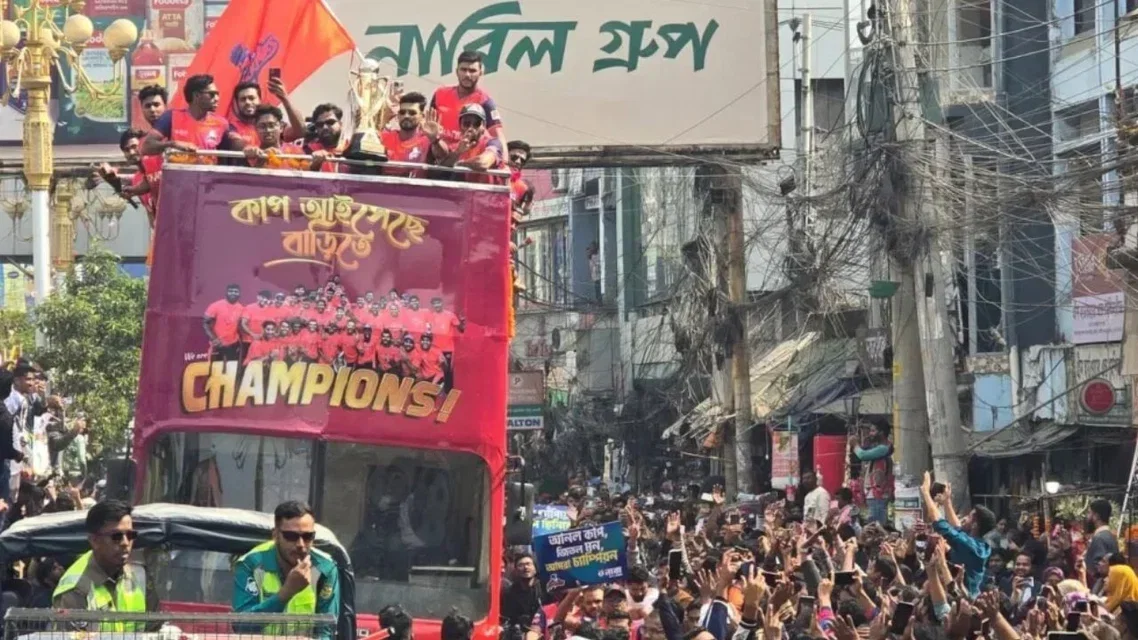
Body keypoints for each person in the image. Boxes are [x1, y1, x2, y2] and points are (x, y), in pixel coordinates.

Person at [232, 500, 340, 635]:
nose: (300, 544)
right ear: (275, 535)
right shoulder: (251, 564)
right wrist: (286, 593)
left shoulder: (325, 568)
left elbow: (326, 631)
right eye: (291, 536)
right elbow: (241, 626)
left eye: (308, 536)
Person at [53, 500, 158, 626]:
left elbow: (154, 627)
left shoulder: (139, 574)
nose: (125, 543)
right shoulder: (76, 588)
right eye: (116, 536)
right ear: (94, 540)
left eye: (130, 535)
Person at [141, 74, 246, 164]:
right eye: (212, 94)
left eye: (218, 94)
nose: (217, 99)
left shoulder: (222, 123)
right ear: (196, 96)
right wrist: (173, 144)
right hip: (178, 182)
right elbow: (146, 147)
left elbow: (237, 143)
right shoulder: (171, 117)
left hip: (209, 183)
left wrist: (245, 146)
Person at [920, 471, 993, 598]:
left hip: (965, 601)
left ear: (975, 525)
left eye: (969, 517)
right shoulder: (975, 543)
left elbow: (942, 525)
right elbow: (957, 529)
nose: (964, 518)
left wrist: (926, 492)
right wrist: (947, 502)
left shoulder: (973, 548)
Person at [430, 50, 505, 149]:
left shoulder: (485, 101)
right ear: (457, 71)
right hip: (439, 156)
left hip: (468, 158)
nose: (467, 75)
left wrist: (504, 162)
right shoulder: (440, 94)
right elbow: (427, 127)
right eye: (463, 70)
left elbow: (497, 137)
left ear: (481, 73)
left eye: (472, 71)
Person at [243, 105, 327, 171]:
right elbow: (248, 182)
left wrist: (317, 162)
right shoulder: (252, 152)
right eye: (262, 126)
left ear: (281, 127)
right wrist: (261, 160)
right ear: (255, 128)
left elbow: (307, 175)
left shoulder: (296, 151)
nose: (268, 130)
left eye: (272, 125)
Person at [853, 422, 893, 525]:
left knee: (876, 528)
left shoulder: (883, 448)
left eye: (873, 431)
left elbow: (862, 455)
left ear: (882, 433)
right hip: (875, 496)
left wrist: (855, 445)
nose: (870, 434)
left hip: (877, 495)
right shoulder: (880, 448)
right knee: (874, 526)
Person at [1085, 499, 1118, 585]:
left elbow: (1099, 570)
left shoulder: (1099, 538)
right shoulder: (1110, 536)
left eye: (1089, 513)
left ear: (1096, 516)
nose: (1087, 517)